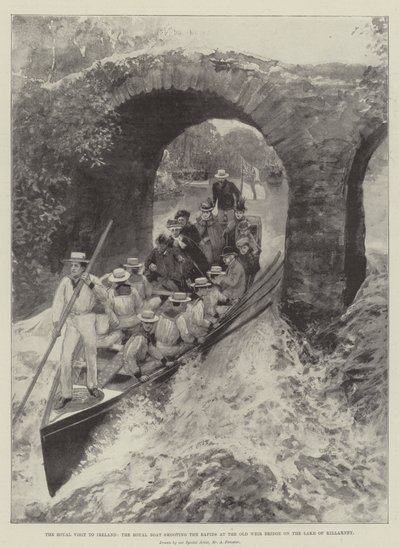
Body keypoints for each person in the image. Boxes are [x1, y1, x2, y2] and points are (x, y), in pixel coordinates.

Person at [52, 251, 109, 409]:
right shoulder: (65, 281)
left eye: (76, 265)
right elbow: (58, 302)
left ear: (84, 267)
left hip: (87, 318)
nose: (73, 268)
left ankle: (92, 386)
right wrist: (56, 324)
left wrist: (90, 284)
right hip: (71, 320)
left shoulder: (92, 279)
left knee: (91, 352)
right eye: (72, 265)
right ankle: (66, 394)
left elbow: (105, 297)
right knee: (65, 356)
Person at [122, 310, 169, 382]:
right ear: (142, 322)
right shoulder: (139, 337)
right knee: (157, 364)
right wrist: (139, 375)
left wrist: (164, 360)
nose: (148, 325)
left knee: (160, 361)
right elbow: (130, 356)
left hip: (139, 361)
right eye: (146, 323)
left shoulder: (145, 334)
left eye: (151, 323)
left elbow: (151, 348)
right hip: (131, 367)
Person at [155, 292, 195, 357]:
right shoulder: (179, 318)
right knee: (191, 345)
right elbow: (186, 337)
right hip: (170, 350)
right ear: (181, 304)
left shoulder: (163, 314)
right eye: (185, 304)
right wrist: (195, 340)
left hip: (158, 347)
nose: (186, 306)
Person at [107, 268, 143, 336]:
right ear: (125, 279)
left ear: (114, 281)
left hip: (119, 323)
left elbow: (109, 310)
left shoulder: (110, 293)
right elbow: (139, 305)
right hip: (133, 322)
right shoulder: (133, 290)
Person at [195, 198, 225, 265]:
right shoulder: (198, 223)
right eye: (203, 212)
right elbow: (195, 236)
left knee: (209, 258)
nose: (205, 214)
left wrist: (208, 239)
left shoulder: (215, 223)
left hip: (211, 246)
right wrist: (200, 241)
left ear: (210, 212)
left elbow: (220, 238)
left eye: (207, 212)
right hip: (200, 245)